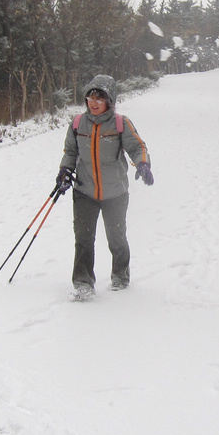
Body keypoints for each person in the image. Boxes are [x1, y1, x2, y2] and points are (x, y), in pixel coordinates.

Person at [55, 75, 153, 301]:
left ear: (110, 100)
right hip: (84, 192)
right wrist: (64, 172)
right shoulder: (78, 123)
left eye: (100, 97)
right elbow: (70, 152)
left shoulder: (120, 123)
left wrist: (143, 164)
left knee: (116, 237)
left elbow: (137, 147)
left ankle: (120, 275)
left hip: (115, 193)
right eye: (91, 96)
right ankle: (83, 283)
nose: (94, 101)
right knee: (83, 239)